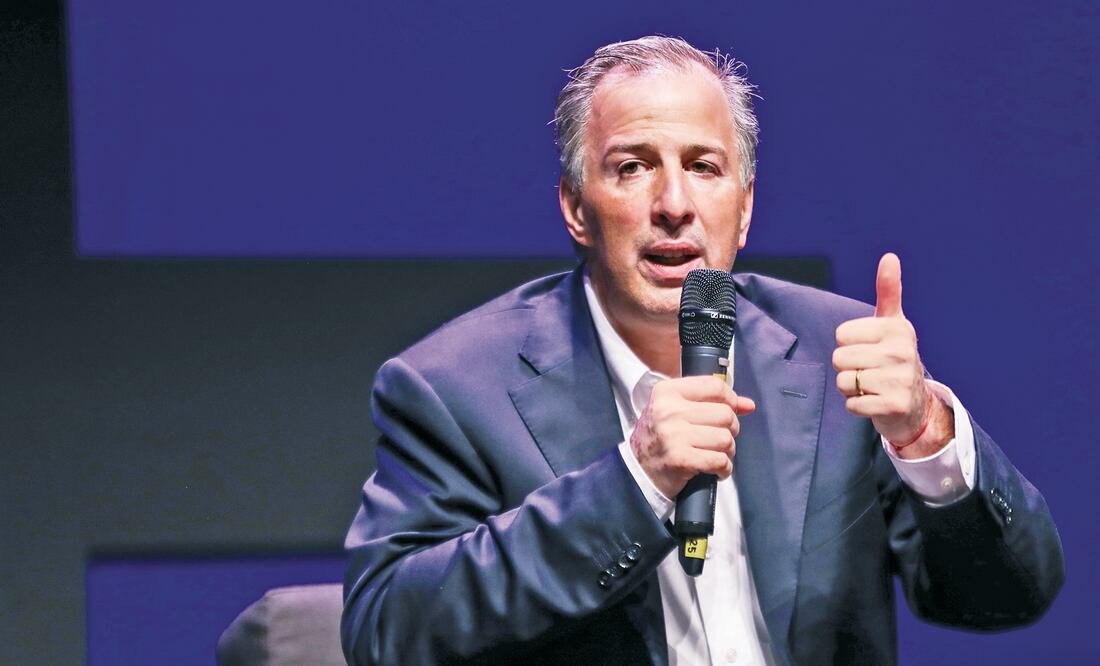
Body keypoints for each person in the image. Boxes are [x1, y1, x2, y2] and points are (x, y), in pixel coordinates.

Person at [342, 36, 1063, 665]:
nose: (674, 204)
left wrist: (926, 436)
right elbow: (385, 631)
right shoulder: (452, 388)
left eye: (705, 167)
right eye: (632, 167)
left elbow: (1005, 599)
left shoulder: (835, 355)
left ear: (744, 208)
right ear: (575, 207)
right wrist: (635, 483)